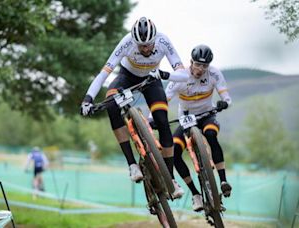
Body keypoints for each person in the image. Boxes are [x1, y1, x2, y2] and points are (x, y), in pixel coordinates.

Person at [80, 17, 185, 198]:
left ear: (154, 40)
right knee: (111, 105)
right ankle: (132, 164)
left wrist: (164, 74)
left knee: (162, 121)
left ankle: (171, 179)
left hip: (153, 79)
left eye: (148, 45)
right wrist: (87, 99)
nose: (145, 49)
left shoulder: (163, 41)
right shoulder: (127, 42)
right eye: (140, 46)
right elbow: (104, 72)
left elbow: (184, 75)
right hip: (127, 77)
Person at [163, 44, 232, 211]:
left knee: (210, 134)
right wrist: (153, 118)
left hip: (207, 115)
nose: (201, 69)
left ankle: (223, 180)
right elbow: (164, 100)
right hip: (186, 119)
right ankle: (195, 194)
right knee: (175, 152)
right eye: (198, 64)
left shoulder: (214, 74)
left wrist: (224, 103)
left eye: (205, 65)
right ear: (191, 62)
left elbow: (227, 98)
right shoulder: (180, 77)